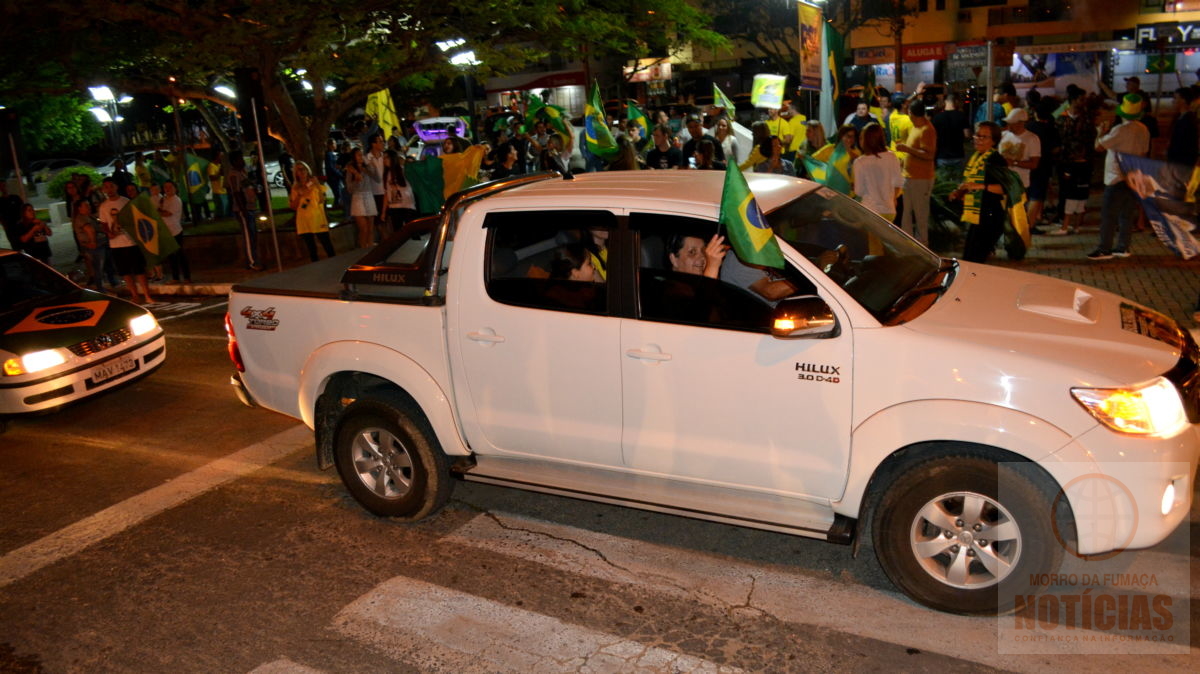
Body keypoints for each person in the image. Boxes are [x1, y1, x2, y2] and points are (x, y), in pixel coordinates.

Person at [1088, 93, 1150, 260]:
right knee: (1127, 215)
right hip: (1133, 177)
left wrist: (1100, 132)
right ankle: (1123, 246)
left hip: (1116, 178)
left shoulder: (1120, 130)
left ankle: (1105, 248)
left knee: (1109, 215)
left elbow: (1099, 147)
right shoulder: (1143, 129)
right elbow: (1144, 152)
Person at [951, 122, 1008, 263]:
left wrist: (980, 186)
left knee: (974, 258)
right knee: (970, 257)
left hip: (991, 215)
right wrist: (960, 192)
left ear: (994, 141)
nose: (978, 139)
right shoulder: (976, 157)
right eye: (977, 135)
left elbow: (1004, 188)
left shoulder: (996, 160)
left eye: (984, 137)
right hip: (979, 215)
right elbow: (970, 183)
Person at [1046, 87, 1096, 236]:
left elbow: (1091, 139)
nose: (1083, 102)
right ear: (1073, 100)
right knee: (1064, 189)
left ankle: (1075, 220)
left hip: (1082, 161)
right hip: (1064, 160)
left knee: (1080, 190)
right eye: (1081, 99)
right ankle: (1062, 216)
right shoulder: (1061, 117)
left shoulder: (1086, 118)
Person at [98, 178, 155, 303]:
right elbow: (104, 224)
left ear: (116, 187)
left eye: (111, 186)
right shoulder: (103, 206)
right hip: (116, 245)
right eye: (106, 187)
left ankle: (147, 295)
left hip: (131, 242)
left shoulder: (125, 202)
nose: (109, 189)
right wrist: (109, 233)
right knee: (125, 272)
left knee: (139, 270)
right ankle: (134, 295)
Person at [895, 100, 937, 244]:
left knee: (920, 214)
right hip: (909, 176)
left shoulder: (927, 129)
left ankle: (922, 244)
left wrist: (907, 149)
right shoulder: (915, 127)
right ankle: (907, 243)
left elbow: (929, 155)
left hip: (921, 179)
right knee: (906, 212)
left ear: (911, 113)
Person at [852, 123, 903, 221]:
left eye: (862, 138)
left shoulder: (860, 162)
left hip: (869, 210)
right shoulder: (892, 156)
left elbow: (859, 191)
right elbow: (898, 183)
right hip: (889, 210)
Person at [290, 160, 336, 261]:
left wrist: (318, 186)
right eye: (299, 170)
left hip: (318, 218)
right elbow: (293, 206)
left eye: (303, 169)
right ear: (296, 173)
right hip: (304, 220)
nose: (302, 172)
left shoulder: (314, 184)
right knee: (311, 248)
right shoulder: (296, 188)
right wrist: (300, 194)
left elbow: (322, 200)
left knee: (327, 243)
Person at [226, 154, 262, 270]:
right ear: (234, 162)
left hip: (250, 207)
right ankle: (252, 262)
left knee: (253, 235)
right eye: (240, 159)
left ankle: (254, 258)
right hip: (243, 210)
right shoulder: (234, 175)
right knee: (248, 236)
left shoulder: (243, 172)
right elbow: (237, 193)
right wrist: (243, 210)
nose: (242, 161)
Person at [72, 199, 111, 291]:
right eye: (86, 206)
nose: (89, 207)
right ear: (79, 208)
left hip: (99, 244)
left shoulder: (89, 216)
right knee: (98, 268)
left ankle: (105, 284)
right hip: (94, 246)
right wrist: (93, 242)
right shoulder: (82, 218)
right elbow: (90, 230)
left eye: (88, 205)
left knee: (102, 266)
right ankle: (100, 288)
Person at [158, 180, 191, 283]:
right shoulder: (164, 199)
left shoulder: (176, 200)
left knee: (180, 255)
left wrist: (158, 211)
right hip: (166, 231)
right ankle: (175, 277)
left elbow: (167, 213)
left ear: (175, 188)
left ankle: (186, 277)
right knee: (171, 257)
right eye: (165, 187)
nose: (167, 189)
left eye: (169, 187)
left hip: (175, 231)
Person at [344, 147, 377, 248]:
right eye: (358, 155)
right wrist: (356, 179)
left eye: (362, 154)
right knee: (364, 229)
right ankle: (362, 249)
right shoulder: (350, 170)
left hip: (369, 195)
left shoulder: (366, 167)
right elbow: (349, 188)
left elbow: (377, 178)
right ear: (354, 157)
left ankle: (370, 246)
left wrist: (366, 169)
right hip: (358, 198)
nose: (361, 156)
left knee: (371, 228)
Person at [382, 151, 417, 239]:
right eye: (384, 158)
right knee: (398, 233)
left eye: (386, 158)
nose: (384, 160)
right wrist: (383, 211)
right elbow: (386, 193)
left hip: (407, 205)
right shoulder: (387, 174)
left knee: (412, 230)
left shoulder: (403, 170)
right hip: (394, 206)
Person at [932, 94, 971, 171]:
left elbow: (933, 136)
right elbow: (967, 135)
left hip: (942, 155)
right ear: (955, 102)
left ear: (945, 102)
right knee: (958, 180)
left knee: (944, 181)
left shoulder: (937, 117)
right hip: (958, 154)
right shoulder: (961, 116)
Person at [209, 151, 228, 219]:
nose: (223, 158)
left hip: (224, 190)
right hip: (218, 191)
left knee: (225, 210)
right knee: (220, 210)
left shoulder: (220, 165)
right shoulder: (211, 165)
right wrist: (220, 173)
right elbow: (212, 178)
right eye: (221, 156)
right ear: (217, 157)